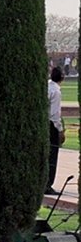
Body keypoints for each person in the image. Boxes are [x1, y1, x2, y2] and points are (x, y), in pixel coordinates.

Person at [49, 65, 66, 194]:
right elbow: (55, 114)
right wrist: (60, 130)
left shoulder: (47, 87)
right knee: (52, 155)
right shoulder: (56, 91)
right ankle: (48, 184)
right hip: (51, 126)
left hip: (44, 123)